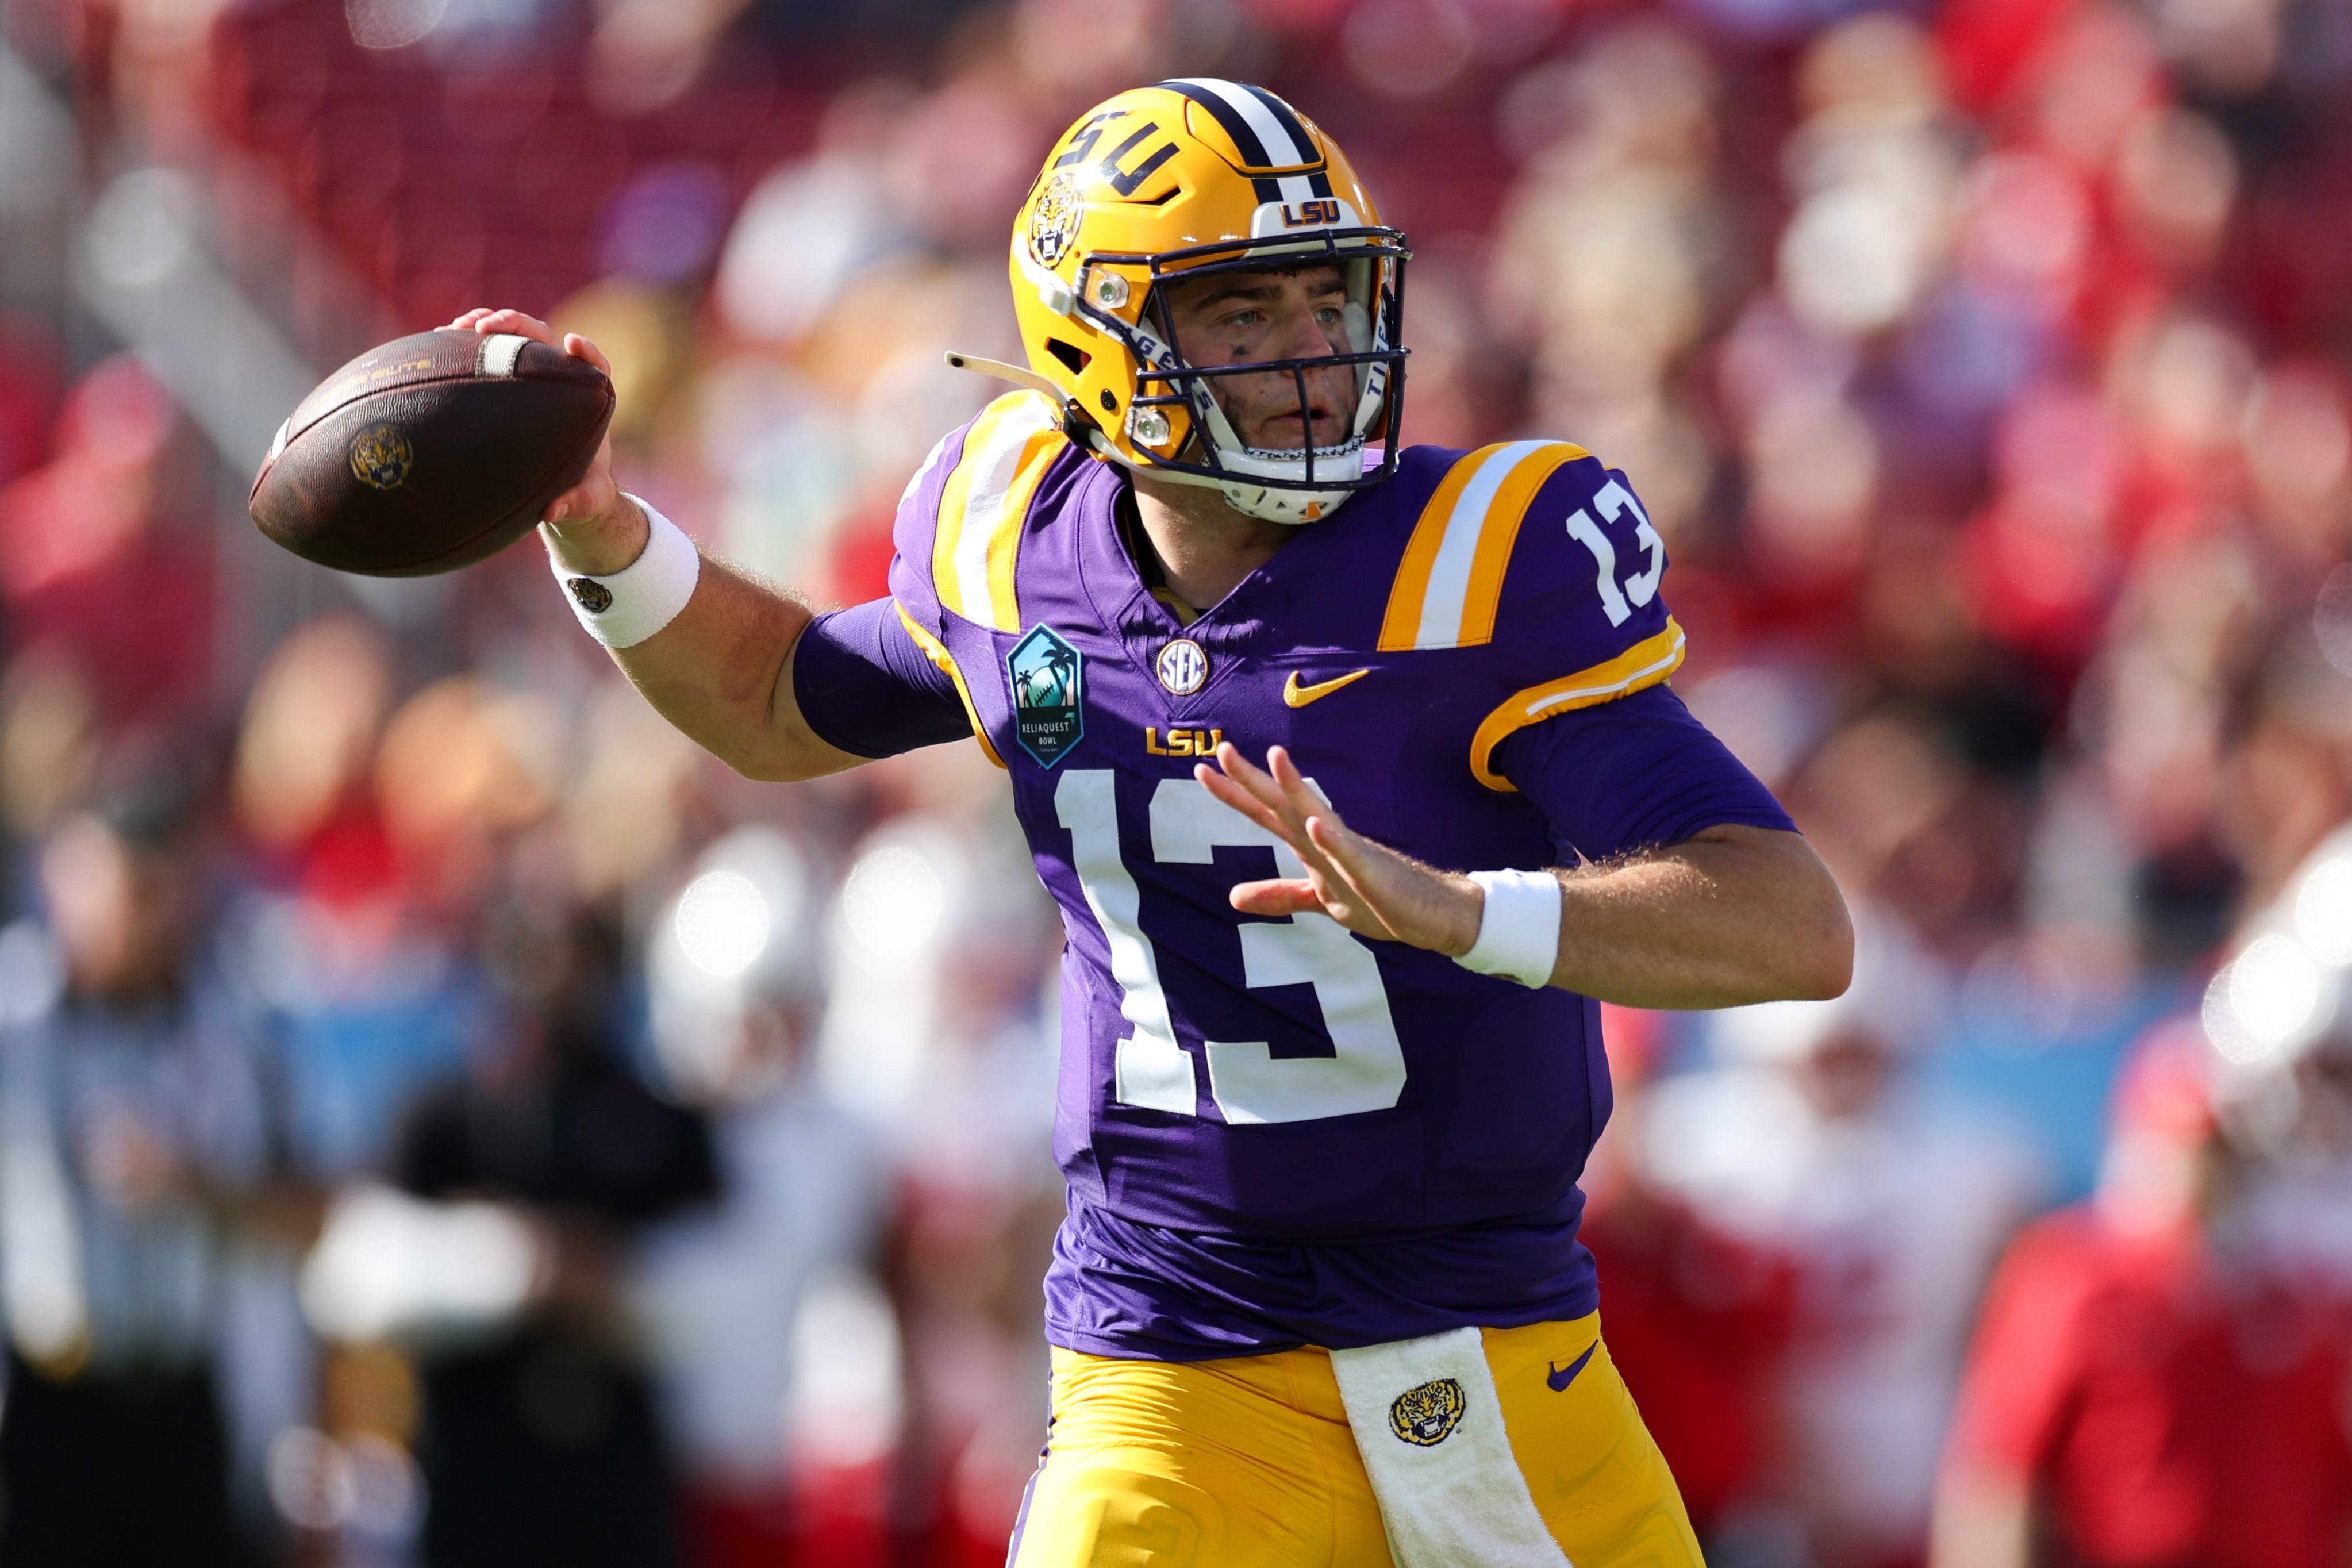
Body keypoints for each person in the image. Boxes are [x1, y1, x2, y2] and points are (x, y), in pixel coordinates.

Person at [455, 78, 1851, 1567]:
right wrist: (601, 532)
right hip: (1166, 1365)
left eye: (1328, 298)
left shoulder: (1481, 563)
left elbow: (1788, 921)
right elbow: (779, 700)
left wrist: (1465, 909)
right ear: (1095, 349)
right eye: (1243, 317)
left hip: (1494, 1362)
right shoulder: (1010, 533)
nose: (1312, 352)